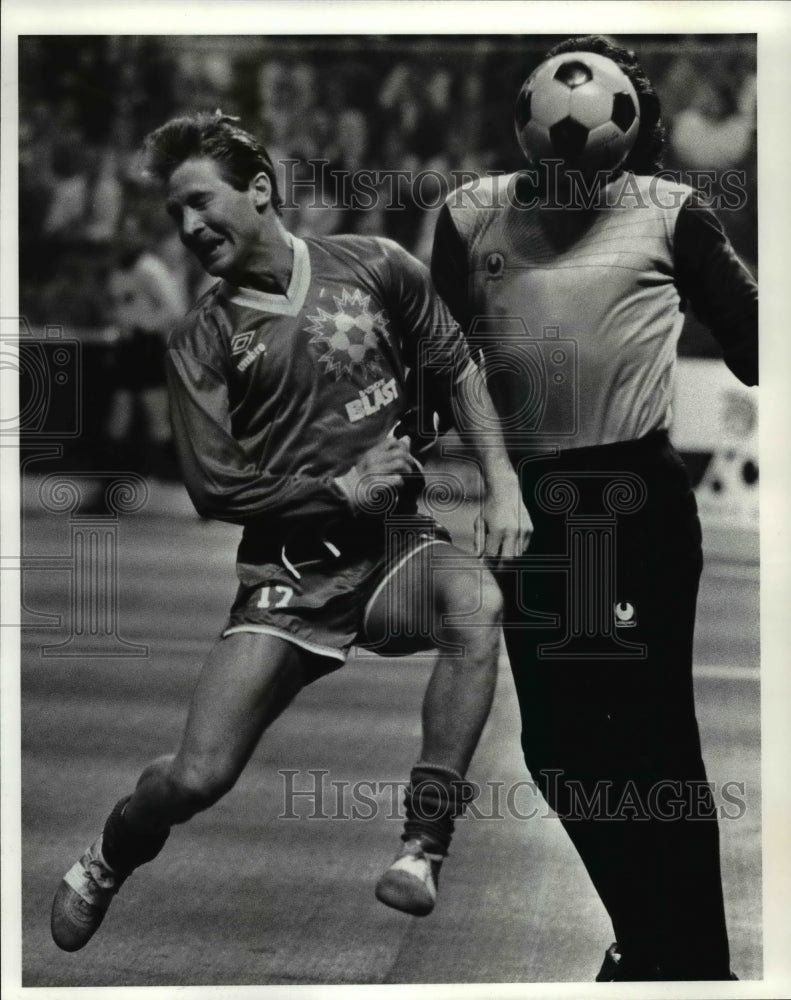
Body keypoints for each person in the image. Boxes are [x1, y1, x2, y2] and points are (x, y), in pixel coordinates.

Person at [51, 111, 528, 952]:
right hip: (285, 577)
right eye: (175, 216)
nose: (190, 228)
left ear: (260, 189)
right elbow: (214, 487)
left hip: (393, 552)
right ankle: (107, 854)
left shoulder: (375, 265)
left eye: (201, 202)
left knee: (475, 609)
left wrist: (502, 487)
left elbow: (456, 363)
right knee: (197, 777)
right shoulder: (202, 339)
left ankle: (423, 845)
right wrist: (341, 489)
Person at [430, 36, 757, 981]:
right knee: (559, 750)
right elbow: (436, 367)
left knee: (652, 741)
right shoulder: (467, 216)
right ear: (529, 126)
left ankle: (688, 964)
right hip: (527, 504)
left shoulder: (672, 214)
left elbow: (751, 346)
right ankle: (659, 944)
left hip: (630, 497)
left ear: (625, 137)